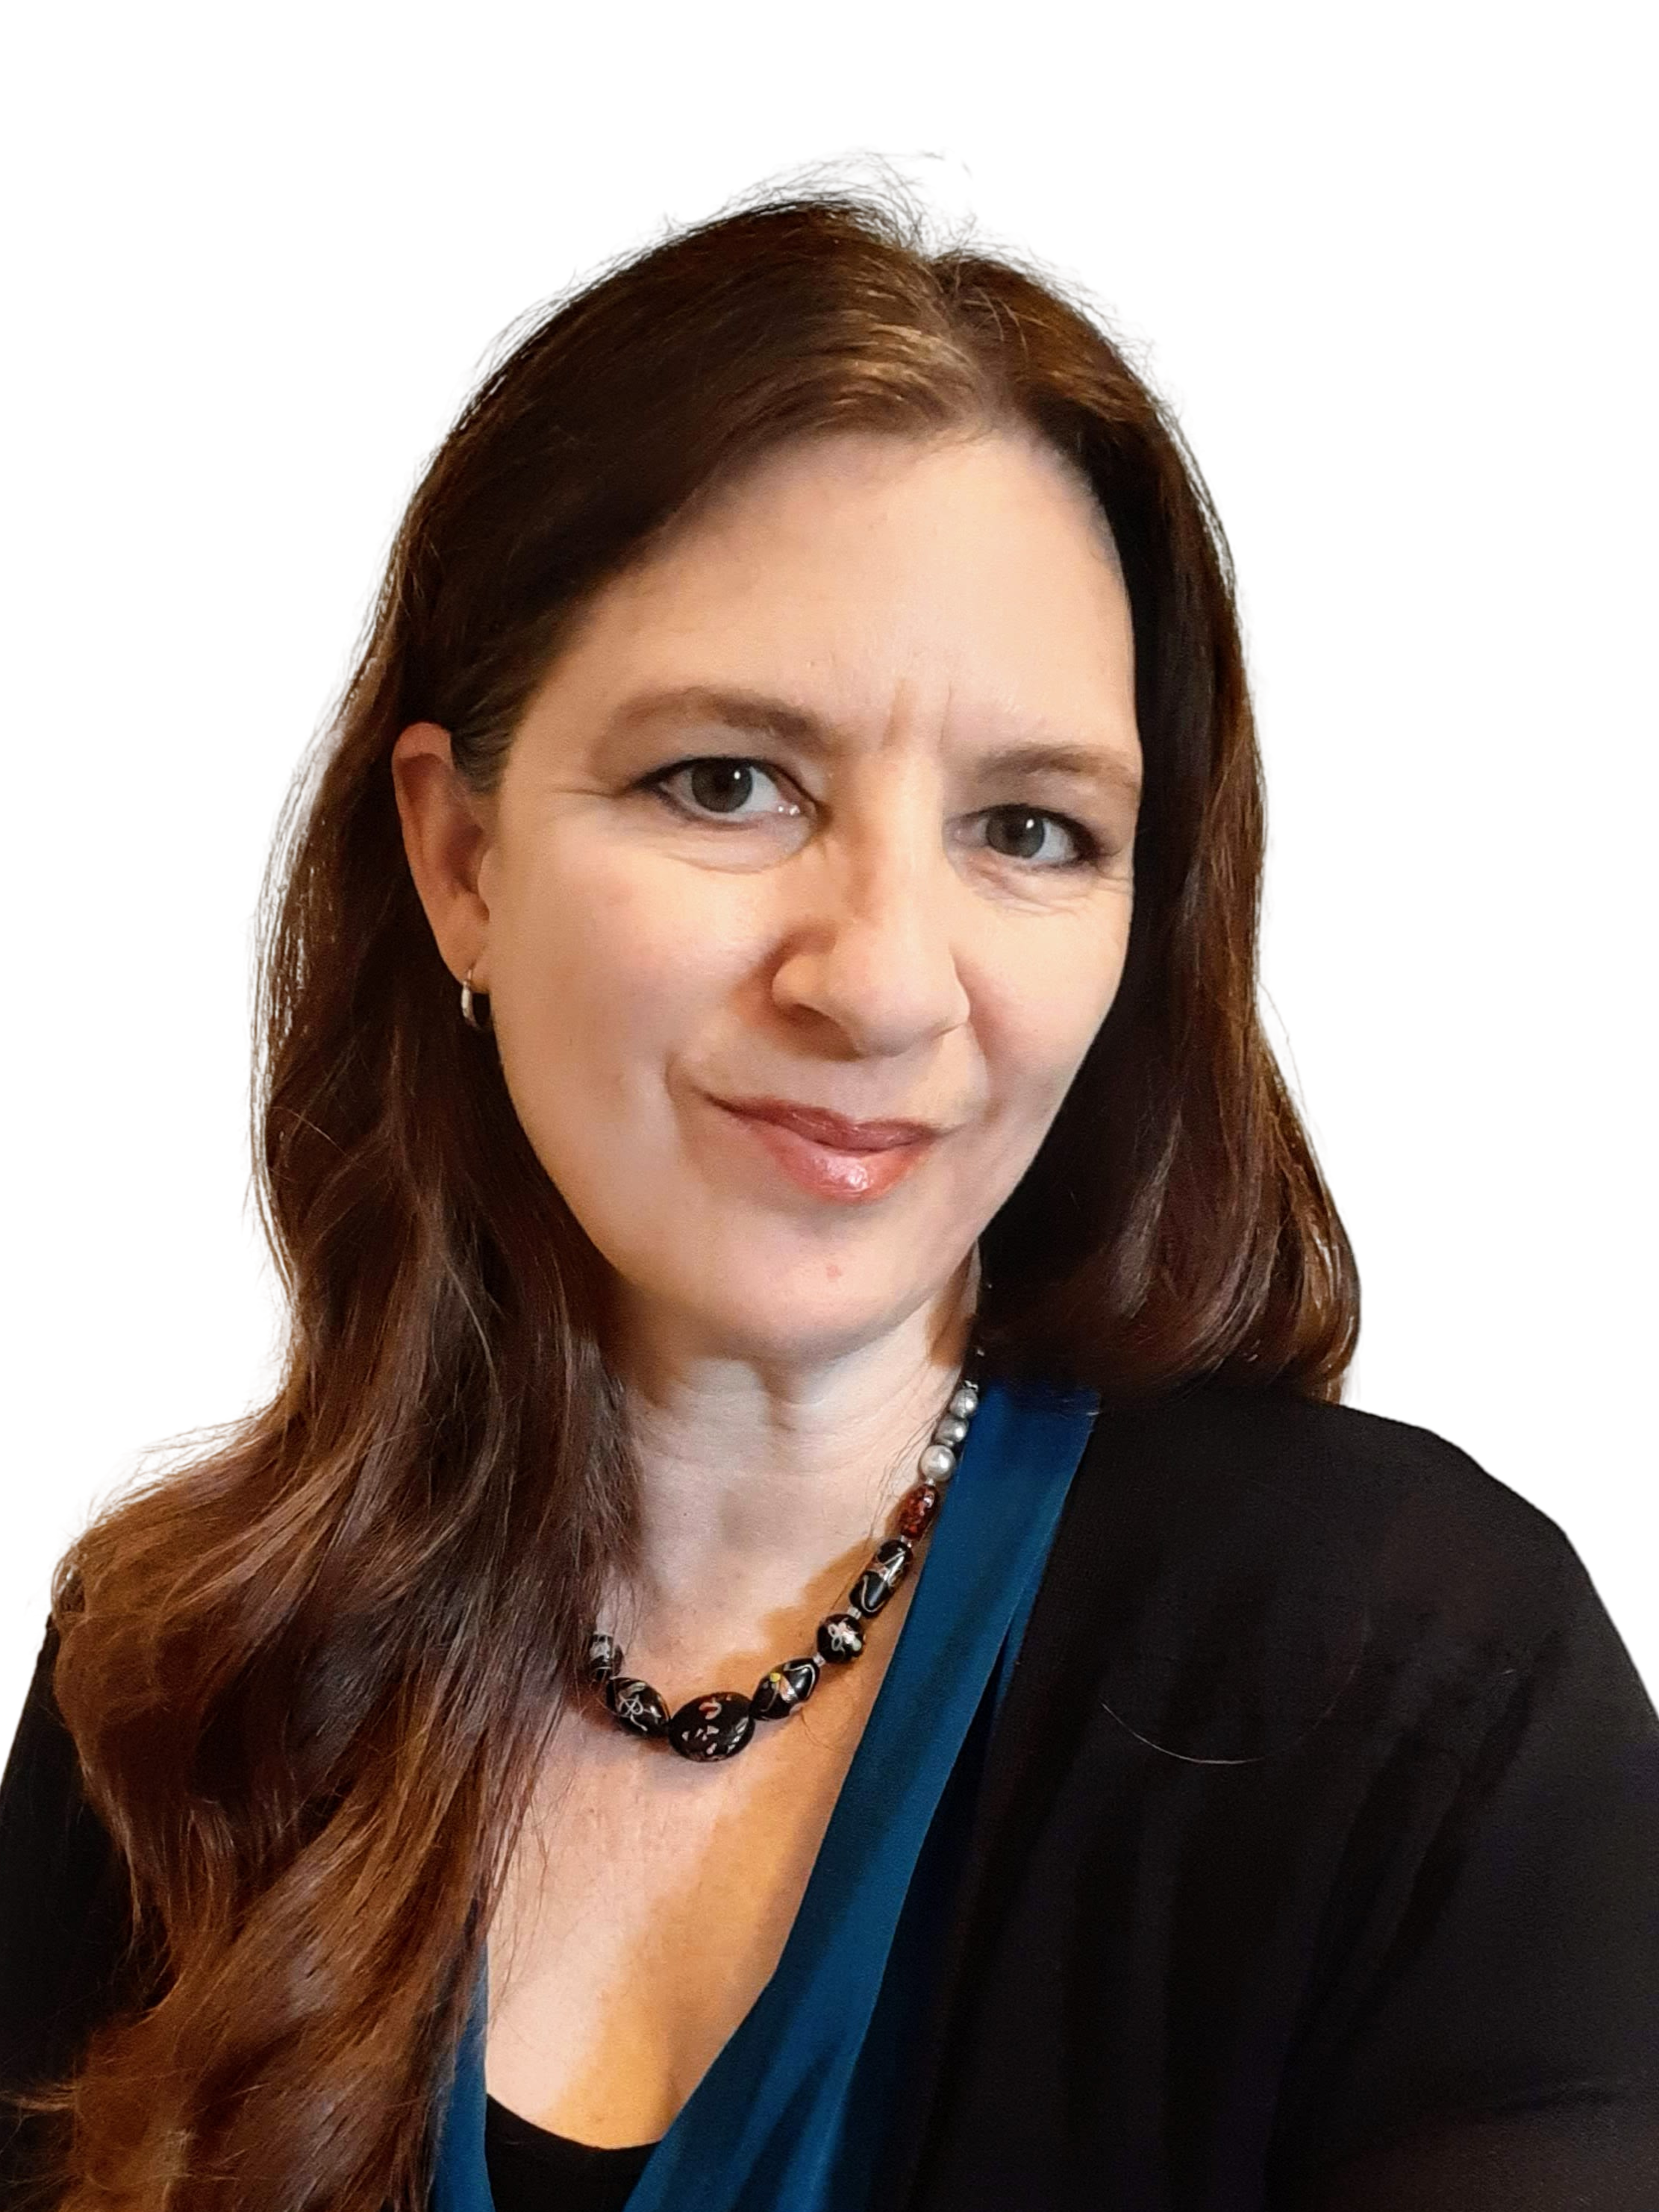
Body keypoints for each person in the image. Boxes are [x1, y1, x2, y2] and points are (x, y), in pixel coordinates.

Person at [1, 181, 1655, 2212]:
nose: (877, 976)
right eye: (726, 782)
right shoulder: (187, 1673)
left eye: (1029, 828)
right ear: (459, 858)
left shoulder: (1420, 1704)